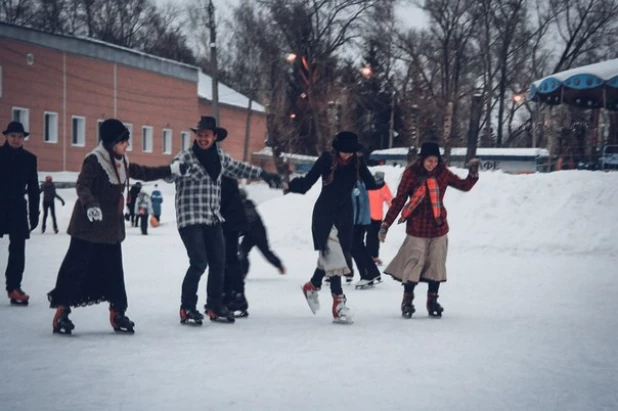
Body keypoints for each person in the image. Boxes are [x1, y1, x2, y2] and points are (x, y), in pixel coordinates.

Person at [47, 119, 185, 335]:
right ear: (112, 143)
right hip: (88, 227)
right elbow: (82, 185)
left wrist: (170, 169)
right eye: (123, 141)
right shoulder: (94, 160)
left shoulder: (122, 161)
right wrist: (90, 204)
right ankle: (62, 312)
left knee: (113, 270)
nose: (127, 145)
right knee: (76, 268)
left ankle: (117, 312)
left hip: (110, 228)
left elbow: (143, 172)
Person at [169, 116, 281, 326]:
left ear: (214, 137)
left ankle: (214, 305)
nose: (203, 138)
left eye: (207, 135)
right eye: (200, 135)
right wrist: (175, 171)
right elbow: (169, 173)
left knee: (219, 262)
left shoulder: (220, 157)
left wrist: (263, 173)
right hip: (191, 217)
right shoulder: (185, 157)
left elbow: (239, 168)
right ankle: (187, 307)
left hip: (212, 217)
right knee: (199, 262)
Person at [286, 131, 382, 324]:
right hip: (324, 214)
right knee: (335, 256)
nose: (346, 155)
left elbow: (371, 184)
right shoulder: (326, 160)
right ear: (336, 149)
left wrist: (380, 180)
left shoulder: (357, 163)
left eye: (350, 152)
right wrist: (291, 184)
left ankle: (312, 285)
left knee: (332, 255)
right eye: (343, 152)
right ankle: (338, 302)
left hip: (345, 216)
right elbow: (307, 183)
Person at [379, 141, 480, 319]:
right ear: (421, 160)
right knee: (413, 263)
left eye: (435, 161)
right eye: (429, 161)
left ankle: (432, 300)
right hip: (417, 227)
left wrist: (472, 174)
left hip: (438, 227)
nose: (432, 164)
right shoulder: (411, 174)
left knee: (436, 264)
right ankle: (407, 300)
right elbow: (399, 201)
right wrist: (386, 224)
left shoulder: (442, 173)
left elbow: (463, 185)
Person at [0, 121, 39, 305]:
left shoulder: (30, 159)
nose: (16, 139)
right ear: (6, 136)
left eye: (20, 136)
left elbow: (33, 188)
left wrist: (34, 214)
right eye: (13, 136)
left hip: (17, 208)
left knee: (17, 249)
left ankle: (14, 287)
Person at [238, 188, 285, 279]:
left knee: (266, 252)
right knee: (242, 252)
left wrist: (240, 230)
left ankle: (279, 265)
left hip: (258, 234)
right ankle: (243, 273)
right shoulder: (240, 205)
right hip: (249, 234)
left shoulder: (248, 205)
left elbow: (250, 219)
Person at [221, 176, 250, 318]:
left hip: (229, 224)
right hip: (232, 223)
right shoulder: (225, 177)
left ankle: (237, 297)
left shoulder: (221, 178)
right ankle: (228, 295)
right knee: (227, 260)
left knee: (229, 260)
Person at [350, 180, 383, 289]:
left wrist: (355, 221)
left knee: (355, 247)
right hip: (359, 220)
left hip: (357, 221)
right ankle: (371, 273)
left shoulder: (357, 183)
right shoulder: (357, 182)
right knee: (357, 246)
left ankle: (368, 274)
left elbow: (359, 204)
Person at [366, 171, 392, 265]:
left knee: (376, 237)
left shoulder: (384, 186)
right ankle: (369, 256)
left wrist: (393, 210)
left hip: (378, 216)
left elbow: (389, 199)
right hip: (368, 216)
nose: (378, 181)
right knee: (370, 236)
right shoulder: (369, 184)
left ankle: (375, 256)